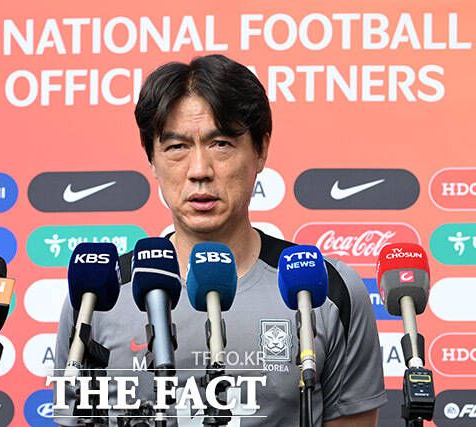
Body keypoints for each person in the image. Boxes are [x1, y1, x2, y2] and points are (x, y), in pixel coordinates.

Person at [53, 54, 387, 426]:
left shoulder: (327, 289)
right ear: (151, 158)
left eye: (221, 144)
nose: (200, 171)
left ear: (260, 150)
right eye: (177, 147)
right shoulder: (97, 295)